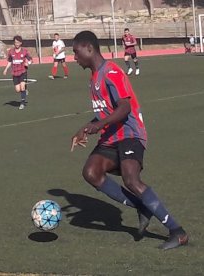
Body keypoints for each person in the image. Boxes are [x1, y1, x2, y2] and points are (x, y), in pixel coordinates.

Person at [70, 30, 188, 250]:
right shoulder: (94, 77)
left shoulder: (111, 71)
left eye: (76, 53)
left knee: (131, 180)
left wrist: (99, 125)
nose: (74, 58)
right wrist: (85, 128)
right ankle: (142, 206)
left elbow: (124, 108)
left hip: (130, 133)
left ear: (89, 48)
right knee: (91, 172)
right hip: (111, 135)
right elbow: (104, 112)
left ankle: (177, 231)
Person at [3, 35, 32, 110]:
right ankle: (25, 89)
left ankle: (22, 103)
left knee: (22, 87)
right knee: (17, 90)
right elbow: (9, 61)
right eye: (15, 42)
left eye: (18, 42)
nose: (17, 44)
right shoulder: (11, 52)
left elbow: (30, 59)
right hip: (15, 73)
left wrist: (27, 63)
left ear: (21, 43)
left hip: (23, 71)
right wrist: (6, 69)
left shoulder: (24, 51)